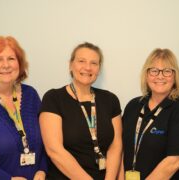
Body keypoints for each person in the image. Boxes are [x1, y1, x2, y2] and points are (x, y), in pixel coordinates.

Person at [39, 42, 122, 179]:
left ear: (99, 69)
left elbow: (116, 145)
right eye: (81, 61)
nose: (87, 67)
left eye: (94, 63)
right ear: (71, 65)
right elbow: (54, 151)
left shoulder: (110, 99)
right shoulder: (54, 98)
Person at [121, 48, 179, 180]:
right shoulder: (133, 106)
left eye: (167, 71)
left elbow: (174, 162)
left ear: (175, 77)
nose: (160, 76)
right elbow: (121, 149)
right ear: (146, 75)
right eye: (154, 70)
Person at [0, 36, 47, 180]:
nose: (6, 65)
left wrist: (42, 170)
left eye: (11, 59)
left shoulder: (30, 95)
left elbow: (46, 141)